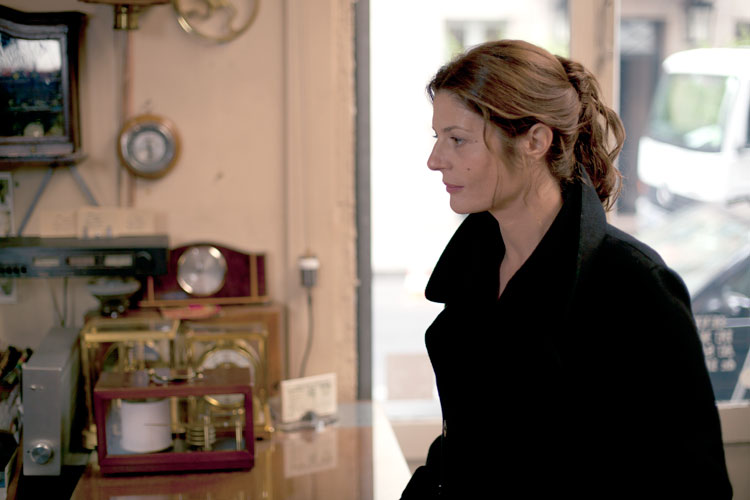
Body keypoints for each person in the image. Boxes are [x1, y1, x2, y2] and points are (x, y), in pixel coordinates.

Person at [400, 39, 733, 499]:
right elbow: (467, 446)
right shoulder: (474, 272)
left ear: (535, 141)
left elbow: (696, 485)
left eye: (457, 139)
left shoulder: (634, 285)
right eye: (437, 138)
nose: (435, 160)